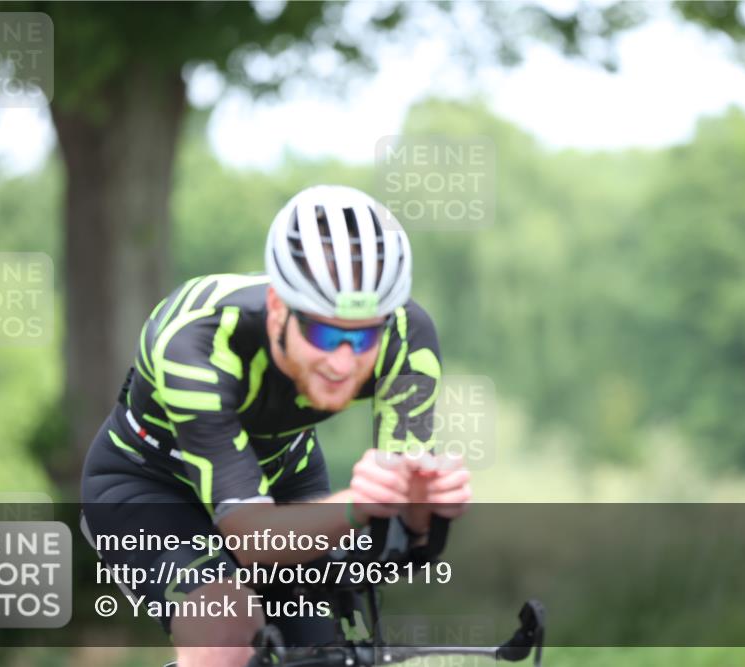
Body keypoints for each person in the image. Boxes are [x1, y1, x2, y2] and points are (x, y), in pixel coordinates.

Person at [80, 185, 472, 667]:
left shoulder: (406, 340)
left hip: (282, 476)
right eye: (324, 332)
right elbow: (248, 540)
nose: (343, 362)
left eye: (364, 334)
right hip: (150, 486)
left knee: (326, 653)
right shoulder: (196, 342)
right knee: (225, 635)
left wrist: (419, 508)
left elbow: (394, 553)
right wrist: (356, 506)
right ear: (277, 308)